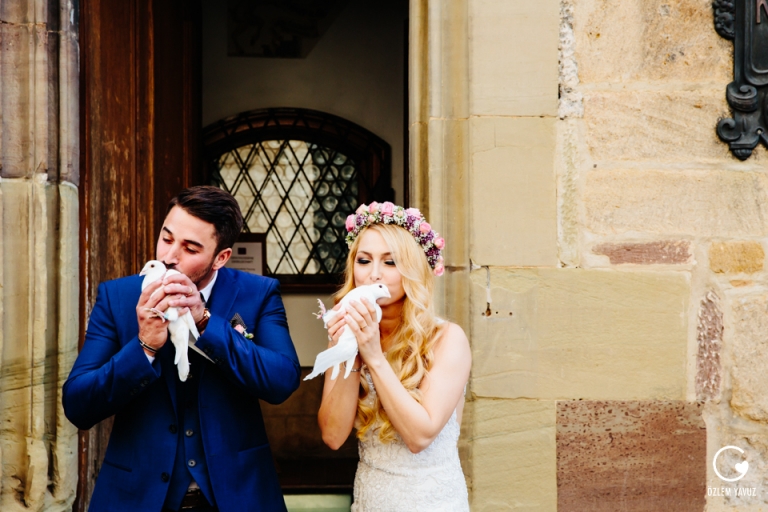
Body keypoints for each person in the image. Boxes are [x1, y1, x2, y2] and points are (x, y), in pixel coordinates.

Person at [63, 186, 300, 511]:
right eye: (166, 237)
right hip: (137, 497)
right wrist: (144, 345)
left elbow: (282, 381)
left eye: (190, 248)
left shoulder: (258, 293)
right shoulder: (116, 297)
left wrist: (206, 322)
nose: (169, 256)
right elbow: (77, 406)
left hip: (238, 495)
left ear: (221, 257)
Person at [317, 202, 471, 511]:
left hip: (432, 502)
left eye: (390, 262)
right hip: (371, 499)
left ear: (412, 269)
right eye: (364, 261)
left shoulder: (447, 339)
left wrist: (373, 356)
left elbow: (420, 436)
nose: (374, 274)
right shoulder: (349, 335)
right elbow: (333, 436)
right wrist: (351, 353)